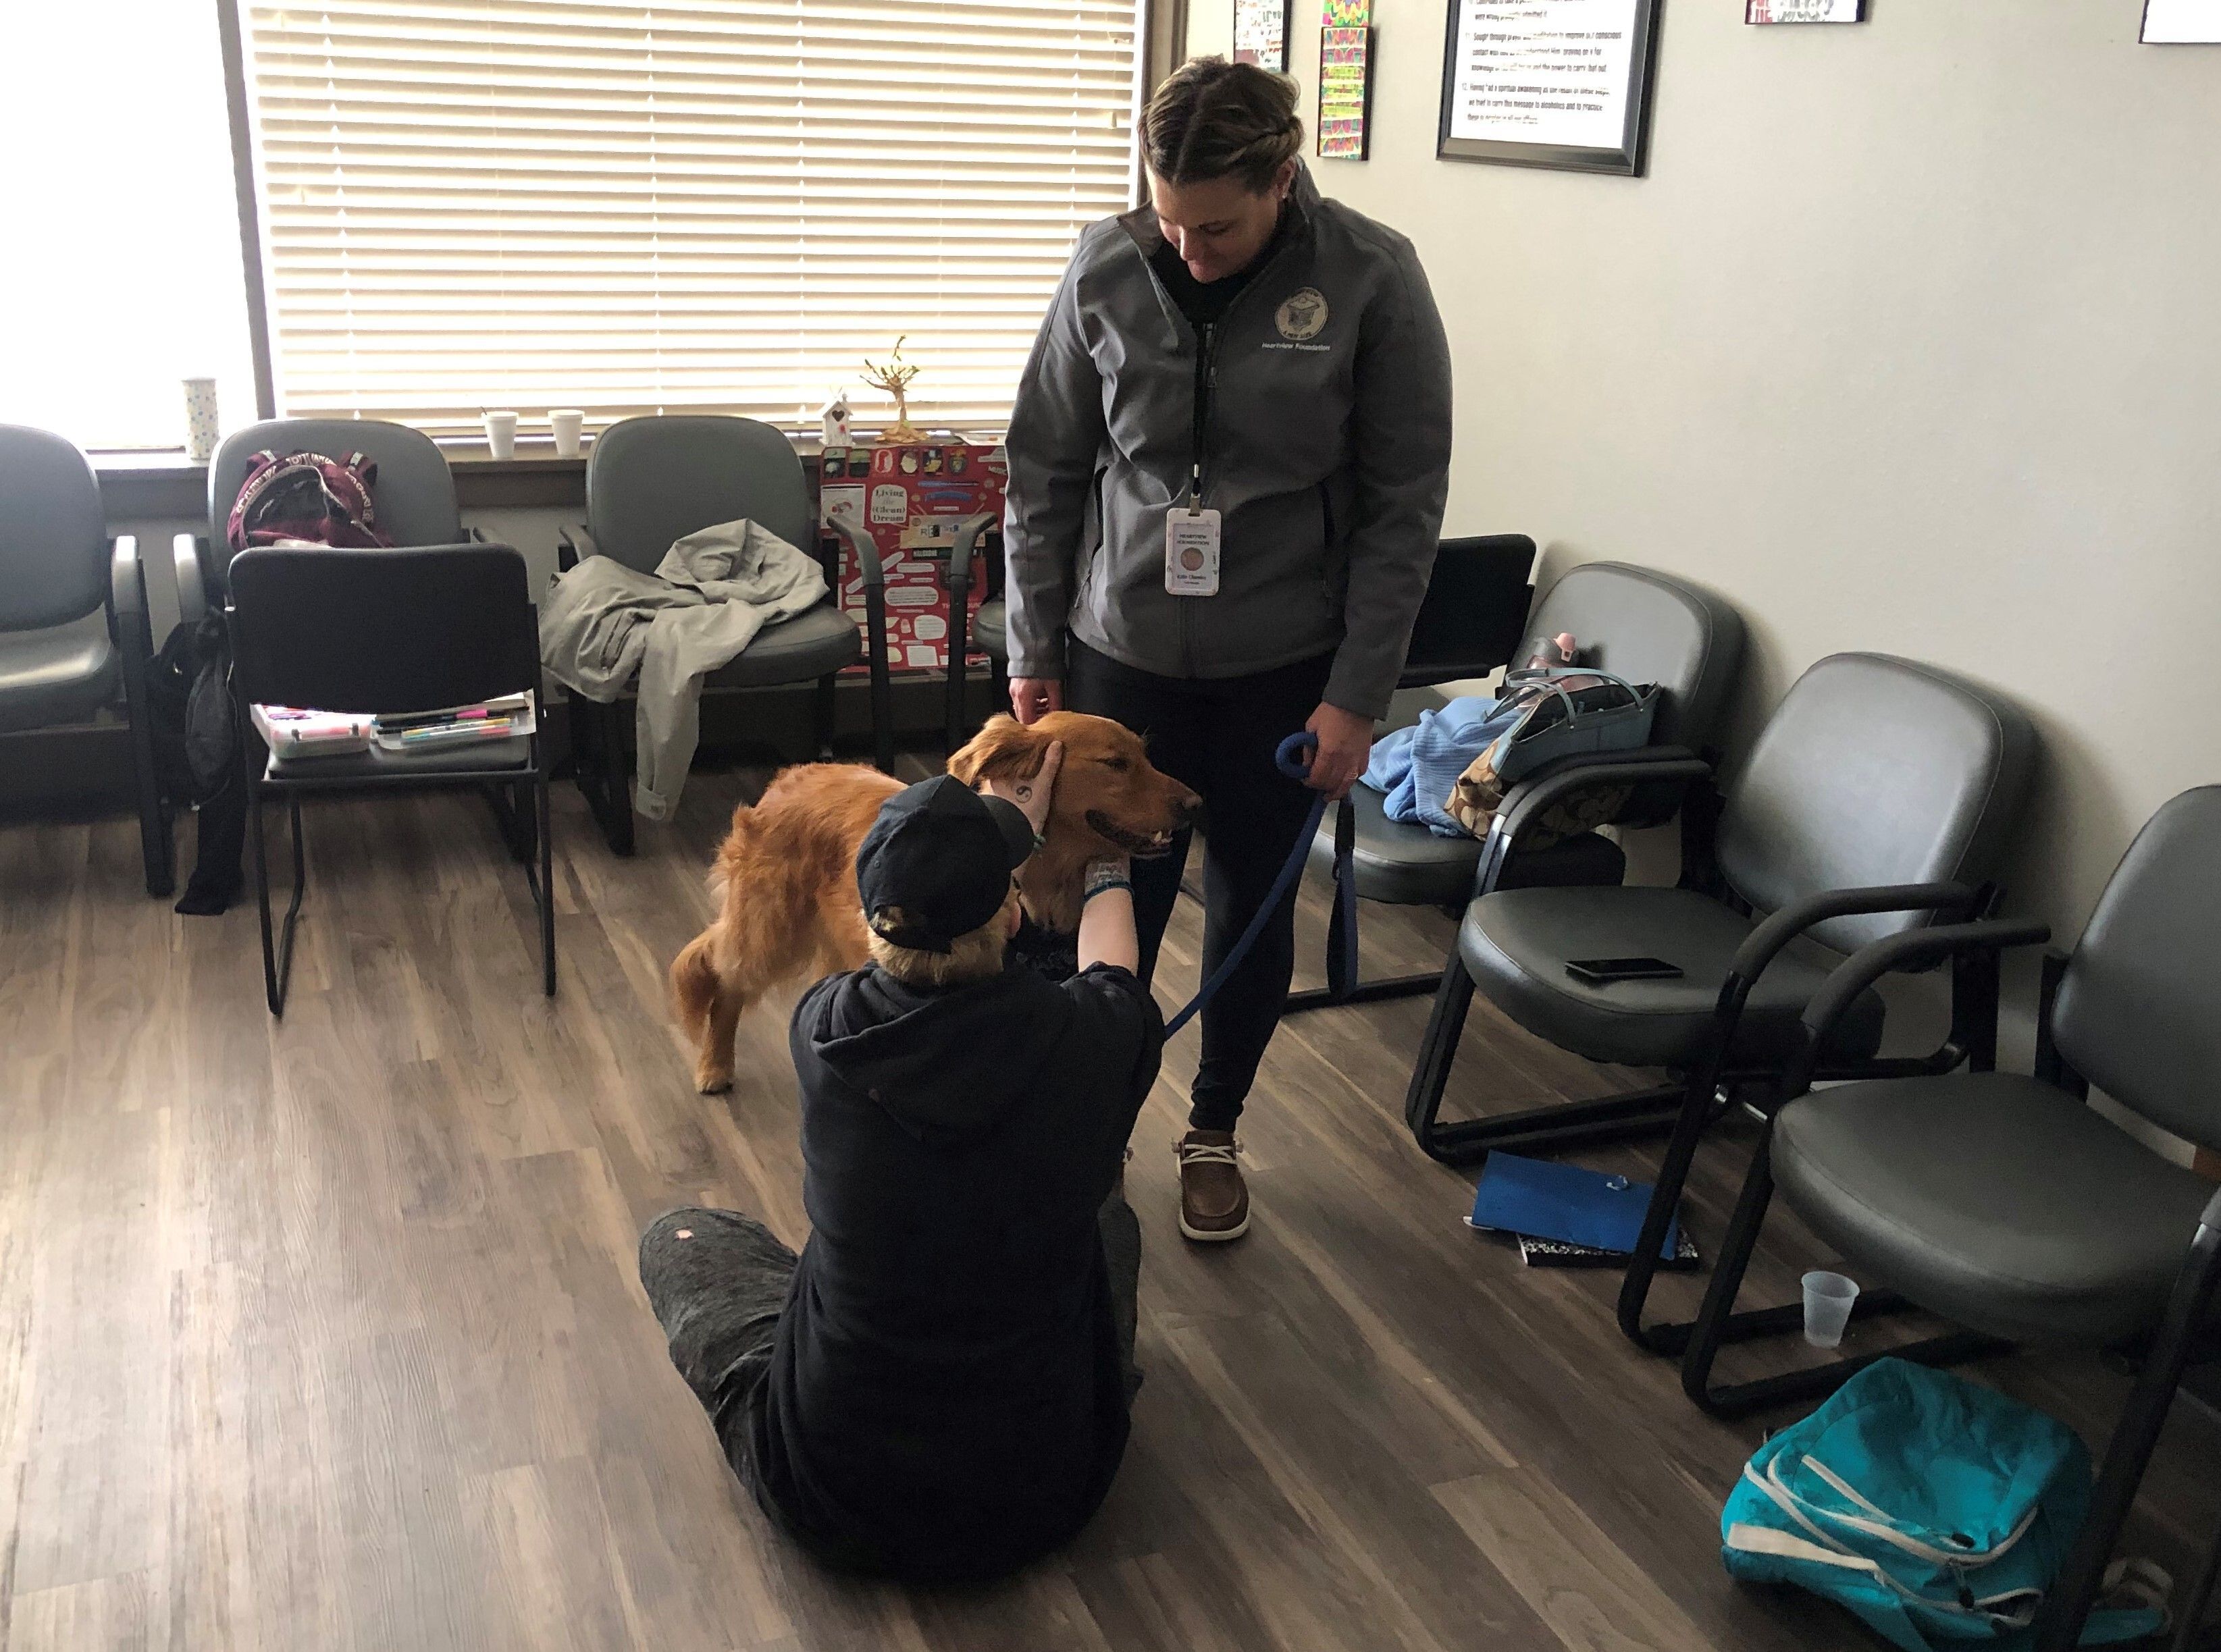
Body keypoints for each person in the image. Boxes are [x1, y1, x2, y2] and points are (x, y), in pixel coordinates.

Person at [1001, 56, 1453, 1243]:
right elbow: (1042, 469)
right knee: (1100, 899)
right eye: (1166, 220)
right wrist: (1030, 641)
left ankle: (1212, 1125)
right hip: (1116, 655)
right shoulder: (1102, 264)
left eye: (1215, 227)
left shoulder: (1371, 277)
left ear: (1281, 183)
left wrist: (1357, 698)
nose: (1187, 249)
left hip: (1280, 669)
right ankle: (1086, 1131)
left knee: (1250, 898)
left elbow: (1402, 505)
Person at [637, 753, 1163, 1583]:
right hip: (1044, 1494)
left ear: (868, 918)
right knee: (1109, 1219)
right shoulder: (1090, 1040)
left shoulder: (822, 1029)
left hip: (830, 1493)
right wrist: (1103, 865)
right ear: (1013, 913)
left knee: (679, 1234)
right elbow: (1111, 968)